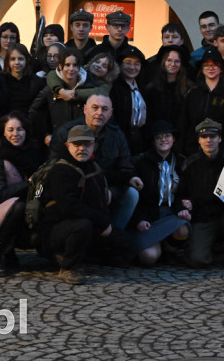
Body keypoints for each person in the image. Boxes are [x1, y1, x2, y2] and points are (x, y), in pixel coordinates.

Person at [38, 124, 132, 283]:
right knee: (83, 225)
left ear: (94, 146)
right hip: (57, 230)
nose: (82, 148)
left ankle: (86, 256)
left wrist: (130, 178)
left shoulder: (92, 166)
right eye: (77, 144)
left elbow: (110, 176)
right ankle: (68, 267)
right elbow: (69, 207)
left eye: (86, 144)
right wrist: (102, 224)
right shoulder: (61, 170)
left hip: (91, 224)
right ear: (68, 146)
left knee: (125, 246)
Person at [49, 94, 142, 231]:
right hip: (76, 190)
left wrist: (112, 190)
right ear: (85, 109)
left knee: (132, 193)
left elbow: (125, 170)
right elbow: (54, 168)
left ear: (111, 113)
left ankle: (113, 233)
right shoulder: (66, 133)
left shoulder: (117, 135)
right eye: (95, 108)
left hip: (108, 188)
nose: (99, 113)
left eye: (104, 109)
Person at [0, 112, 42, 276]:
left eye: (20, 129)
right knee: (17, 206)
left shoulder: (32, 154)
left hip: (23, 212)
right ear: (3, 133)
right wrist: (28, 184)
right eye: (10, 130)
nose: (15, 134)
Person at [178, 119, 224, 269]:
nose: (208, 140)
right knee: (198, 260)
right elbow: (181, 192)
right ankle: (212, 248)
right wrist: (187, 203)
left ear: (220, 138)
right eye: (204, 137)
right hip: (203, 218)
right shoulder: (190, 164)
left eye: (212, 136)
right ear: (198, 140)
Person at [129, 121, 190, 266]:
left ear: (173, 139)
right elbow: (135, 197)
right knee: (148, 258)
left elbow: (184, 191)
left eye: (167, 136)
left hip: (170, 212)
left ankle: (169, 248)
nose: (163, 140)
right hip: (148, 216)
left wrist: (183, 208)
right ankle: (158, 247)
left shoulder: (182, 161)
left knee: (182, 230)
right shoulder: (141, 163)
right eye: (158, 137)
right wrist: (139, 219)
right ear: (153, 141)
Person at [31, 47, 106, 143]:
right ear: (60, 66)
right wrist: (45, 134)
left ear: (79, 67)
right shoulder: (50, 89)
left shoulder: (89, 88)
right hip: (57, 142)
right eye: (67, 65)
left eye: (75, 65)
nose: (71, 69)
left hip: (83, 143)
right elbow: (35, 111)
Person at [179, 46, 224, 158]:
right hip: (193, 150)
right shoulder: (192, 94)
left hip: (221, 152)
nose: (210, 68)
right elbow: (184, 123)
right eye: (207, 65)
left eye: (215, 65)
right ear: (202, 69)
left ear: (221, 68)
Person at [110, 44, 150, 153]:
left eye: (137, 64)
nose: (132, 67)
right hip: (120, 139)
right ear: (120, 65)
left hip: (139, 139)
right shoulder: (114, 87)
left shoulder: (142, 88)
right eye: (127, 63)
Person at [143, 44, 191, 130]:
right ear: (163, 62)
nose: (173, 64)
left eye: (177, 61)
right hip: (157, 136)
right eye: (169, 60)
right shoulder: (151, 89)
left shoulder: (189, 89)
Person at [0, 44, 45, 115]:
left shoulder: (37, 83)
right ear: (8, 61)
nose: (17, 63)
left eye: (20, 59)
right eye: (13, 59)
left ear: (26, 60)